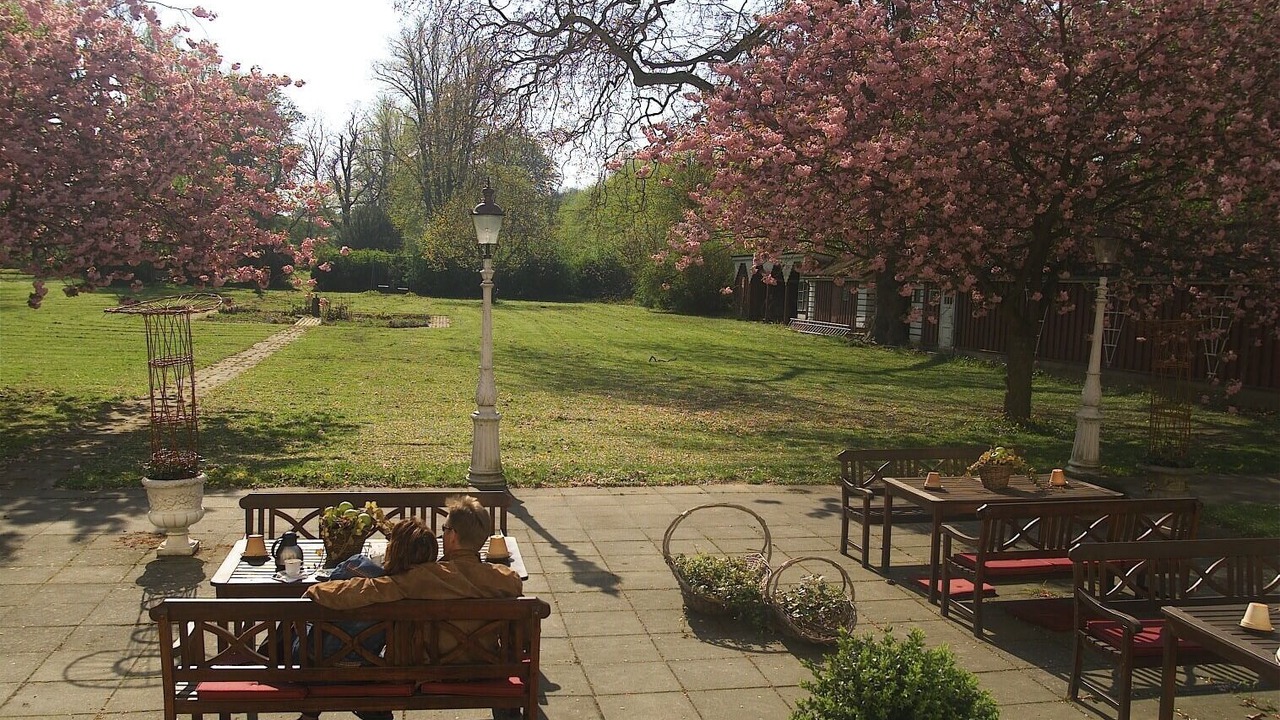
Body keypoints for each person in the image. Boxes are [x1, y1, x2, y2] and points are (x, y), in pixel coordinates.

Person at [305, 496, 523, 720]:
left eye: (445, 529)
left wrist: (316, 591)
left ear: (453, 535)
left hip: (432, 672)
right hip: (487, 668)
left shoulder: (423, 577)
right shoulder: (505, 580)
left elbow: (368, 589)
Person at [297, 521, 439, 720]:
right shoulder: (424, 587)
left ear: (393, 549)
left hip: (319, 664)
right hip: (371, 666)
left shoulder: (360, 569)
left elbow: (330, 582)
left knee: (299, 633)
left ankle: (310, 713)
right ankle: (374, 711)